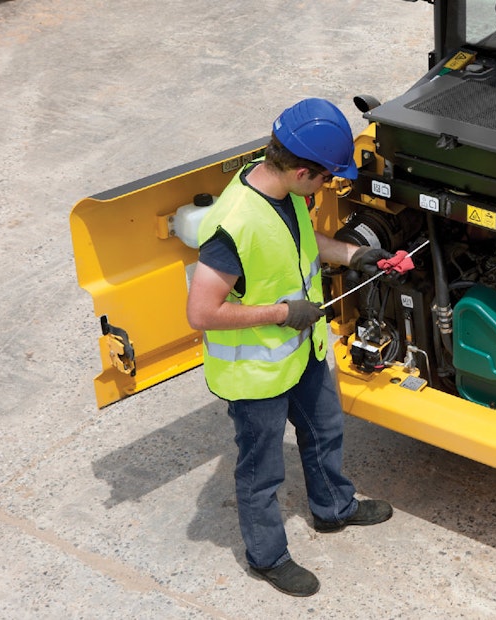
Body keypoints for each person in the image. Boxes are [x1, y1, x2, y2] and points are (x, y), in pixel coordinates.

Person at [186, 98, 393, 597]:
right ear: (302, 170)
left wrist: (355, 254)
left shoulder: (286, 191)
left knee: (325, 429)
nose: (329, 187)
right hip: (256, 370)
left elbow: (303, 241)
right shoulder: (232, 226)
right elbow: (201, 312)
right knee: (261, 470)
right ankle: (268, 556)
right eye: (325, 178)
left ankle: (333, 509)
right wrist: (283, 313)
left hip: (303, 349)